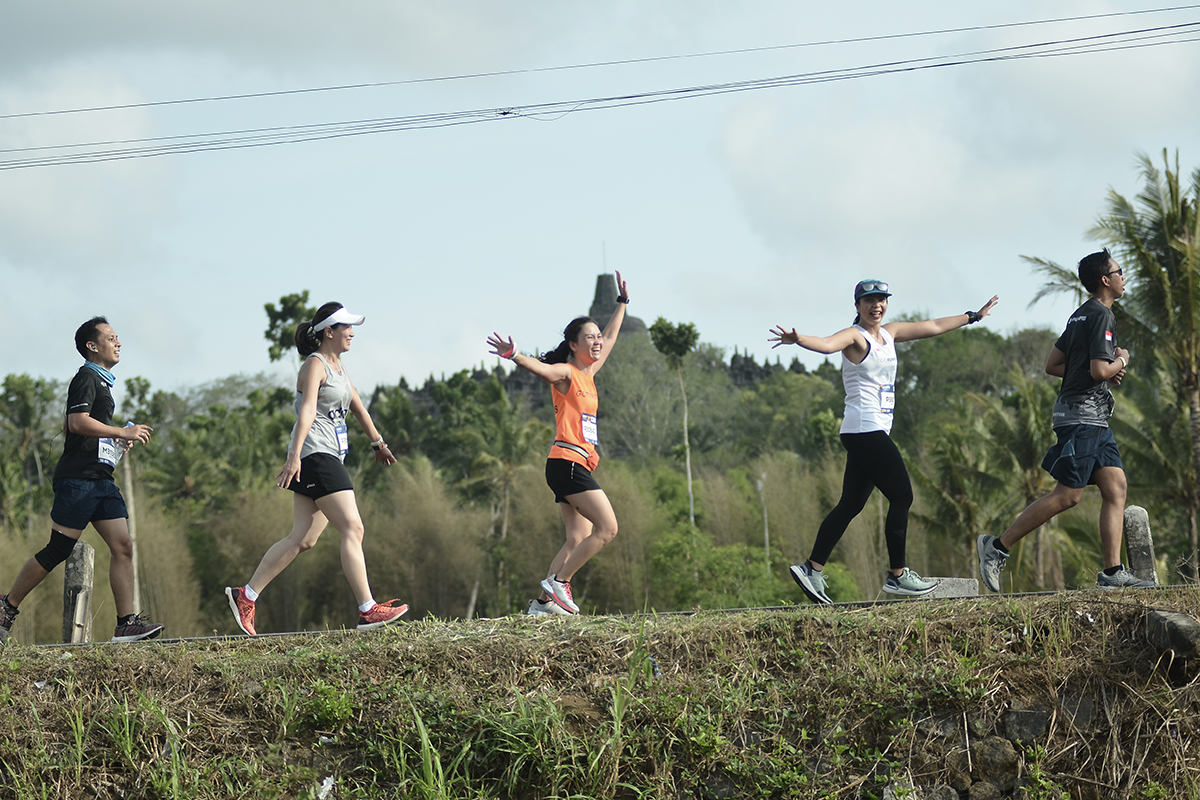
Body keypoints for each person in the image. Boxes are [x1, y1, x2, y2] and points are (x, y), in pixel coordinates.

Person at [769, 281, 999, 604]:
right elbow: (825, 344)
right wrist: (798, 340)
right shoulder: (856, 337)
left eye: (881, 300)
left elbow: (932, 326)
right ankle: (898, 575)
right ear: (858, 305)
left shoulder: (889, 334)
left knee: (851, 503)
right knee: (902, 495)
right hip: (866, 430)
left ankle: (812, 568)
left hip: (868, 431)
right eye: (869, 301)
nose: (876, 305)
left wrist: (973, 316)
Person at [224, 303, 408, 636]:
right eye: (347, 327)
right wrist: (294, 455)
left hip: (329, 456)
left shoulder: (339, 367)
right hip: (315, 454)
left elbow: (358, 406)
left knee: (303, 539)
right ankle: (368, 609)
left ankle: (245, 595)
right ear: (329, 331)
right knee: (353, 527)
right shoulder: (315, 365)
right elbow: (306, 410)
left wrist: (378, 443)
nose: (352, 332)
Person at [977, 250, 1154, 593]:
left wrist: (1101, 374)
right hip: (1081, 418)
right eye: (1120, 271)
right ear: (1106, 280)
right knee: (1068, 495)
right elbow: (1099, 369)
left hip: (1093, 417)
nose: (1123, 276)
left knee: (1116, 487)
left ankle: (1113, 572)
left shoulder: (1080, 315)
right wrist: (1121, 360)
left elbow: (1054, 364)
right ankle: (998, 547)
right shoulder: (1102, 315)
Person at [0, 317, 164, 643]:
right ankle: (6, 608)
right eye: (112, 337)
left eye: (118, 338)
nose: (118, 343)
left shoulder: (102, 383)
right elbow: (75, 422)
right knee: (58, 549)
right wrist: (121, 431)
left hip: (102, 479)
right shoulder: (86, 377)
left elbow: (85, 429)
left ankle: (125, 624)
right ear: (93, 346)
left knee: (124, 547)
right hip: (78, 480)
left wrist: (114, 444)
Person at [486, 272, 630, 616]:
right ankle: (559, 583)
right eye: (589, 338)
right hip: (568, 463)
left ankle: (542, 605)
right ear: (574, 345)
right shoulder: (566, 372)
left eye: (597, 337)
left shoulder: (589, 374)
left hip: (570, 465)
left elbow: (611, 336)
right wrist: (515, 355)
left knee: (577, 538)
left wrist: (622, 303)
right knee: (607, 528)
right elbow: (542, 370)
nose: (597, 342)